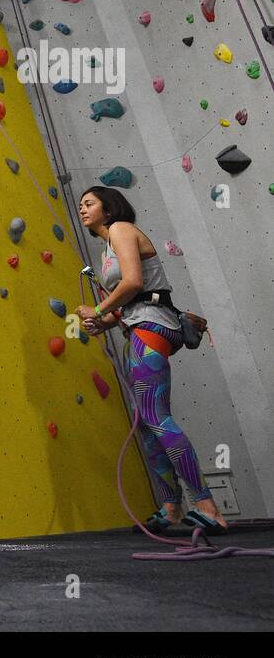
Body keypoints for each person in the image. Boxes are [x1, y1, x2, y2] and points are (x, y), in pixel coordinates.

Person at [76, 186, 227, 535]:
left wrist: (98, 309)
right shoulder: (106, 248)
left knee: (157, 417)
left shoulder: (121, 229)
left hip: (153, 327)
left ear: (108, 208)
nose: (82, 209)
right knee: (145, 423)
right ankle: (172, 507)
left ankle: (208, 508)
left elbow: (132, 282)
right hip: (139, 325)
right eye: (81, 205)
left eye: (89, 203)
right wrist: (102, 323)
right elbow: (128, 303)